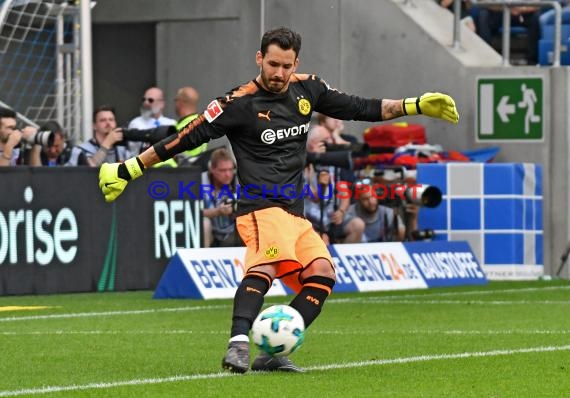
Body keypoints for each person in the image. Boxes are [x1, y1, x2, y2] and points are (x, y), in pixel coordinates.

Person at [98, 27, 459, 373]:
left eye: (287, 66)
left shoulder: (309, 89)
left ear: (296, 63)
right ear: (259, 58)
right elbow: (184, 138)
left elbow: (360, 107)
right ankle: (238, 342)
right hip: (259, 208)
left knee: (323, 274)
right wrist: (129, 169)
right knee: (267, 268)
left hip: (296, 214)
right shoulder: (237, 103)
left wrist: (415, 104)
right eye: (273, 64)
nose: (279, 73)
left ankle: (273, 351)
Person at [304, 122, 364, 244]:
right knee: (322, 240)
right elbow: (313, 196)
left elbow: (344, 192)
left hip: (329, 217)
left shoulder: (330, 161)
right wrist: (322, 186)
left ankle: (341, 259)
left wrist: (341, 211)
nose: (329, 143)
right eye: (325, 140)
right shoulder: (304, 165)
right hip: (310, 219)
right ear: (312, 144)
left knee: (358, 225)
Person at [347, 181, 419, 242]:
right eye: (365, 199)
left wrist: (413, 218)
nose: (371, 202)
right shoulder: (350, 212)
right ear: (358, 200)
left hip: (384, 252)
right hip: (358, 253)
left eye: (373, 196)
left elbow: (407, 239)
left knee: (401, 231)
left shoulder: (388, 213)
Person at [201, 148, 243, 248]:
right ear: (212, 169)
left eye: (230, 170)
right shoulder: (198, 182)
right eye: (223, 170)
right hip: (210, 234)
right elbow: (192, 213)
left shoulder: (239, 181)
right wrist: (217, 211)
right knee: (204, 223)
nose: (228, 174)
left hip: (232, 232)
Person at [67, 105, 131, 167]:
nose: (108, 123)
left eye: (111, 119)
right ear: (94, 126)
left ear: (115, 123)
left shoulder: (122, 150)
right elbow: (90, 169)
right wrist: (107, 142)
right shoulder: (80, 150)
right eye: (103, 120)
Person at [476, 5, 541, 64]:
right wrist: (507, 8)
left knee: (536, 17)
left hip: (522, 12)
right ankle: (486, 59)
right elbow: (485, 3)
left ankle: (532, 61)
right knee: (483, 15)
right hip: (500, 11)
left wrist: (520, 9)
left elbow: (537, 5)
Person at [128, 87, 176, 155]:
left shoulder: (172, 124)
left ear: (161, 103)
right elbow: (133, 151)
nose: (146, 103)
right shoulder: (135, 124)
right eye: (144, 99)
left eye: (150, 100)